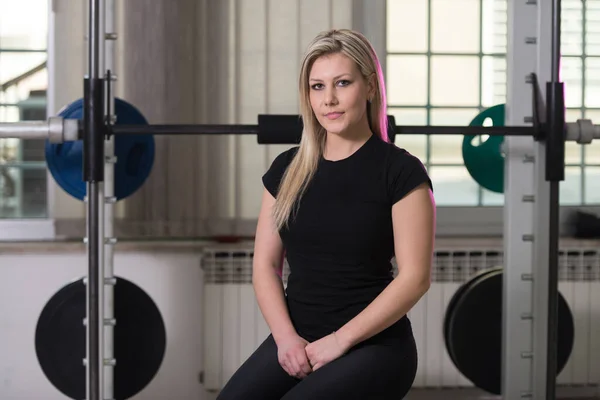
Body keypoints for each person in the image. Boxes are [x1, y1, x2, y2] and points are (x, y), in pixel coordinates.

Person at [217, 28, 435, 400]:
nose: (329, 99)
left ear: (369, 87)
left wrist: (340, 340)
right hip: (296, 338)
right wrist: (285, 339)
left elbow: (415, 278)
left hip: (374, 346)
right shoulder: (287, 169)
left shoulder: (401, 172)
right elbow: (265, 266)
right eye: (317, 87)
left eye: (342, 83)